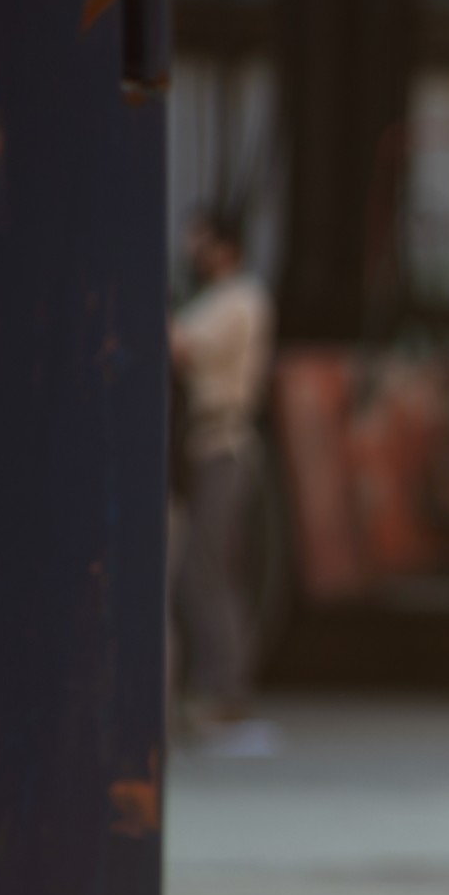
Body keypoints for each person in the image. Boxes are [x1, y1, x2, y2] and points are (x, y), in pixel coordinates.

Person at [169, 205, 273, 737]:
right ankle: (216, 688)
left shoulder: (237, 299)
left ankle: (227, 691)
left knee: (207, 571)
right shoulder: (220, 299)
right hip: (207, 446)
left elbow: (177, 344)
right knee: (201, 570)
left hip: (223, 446)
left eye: (200, 242)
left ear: (224, 248)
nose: (192, 252)